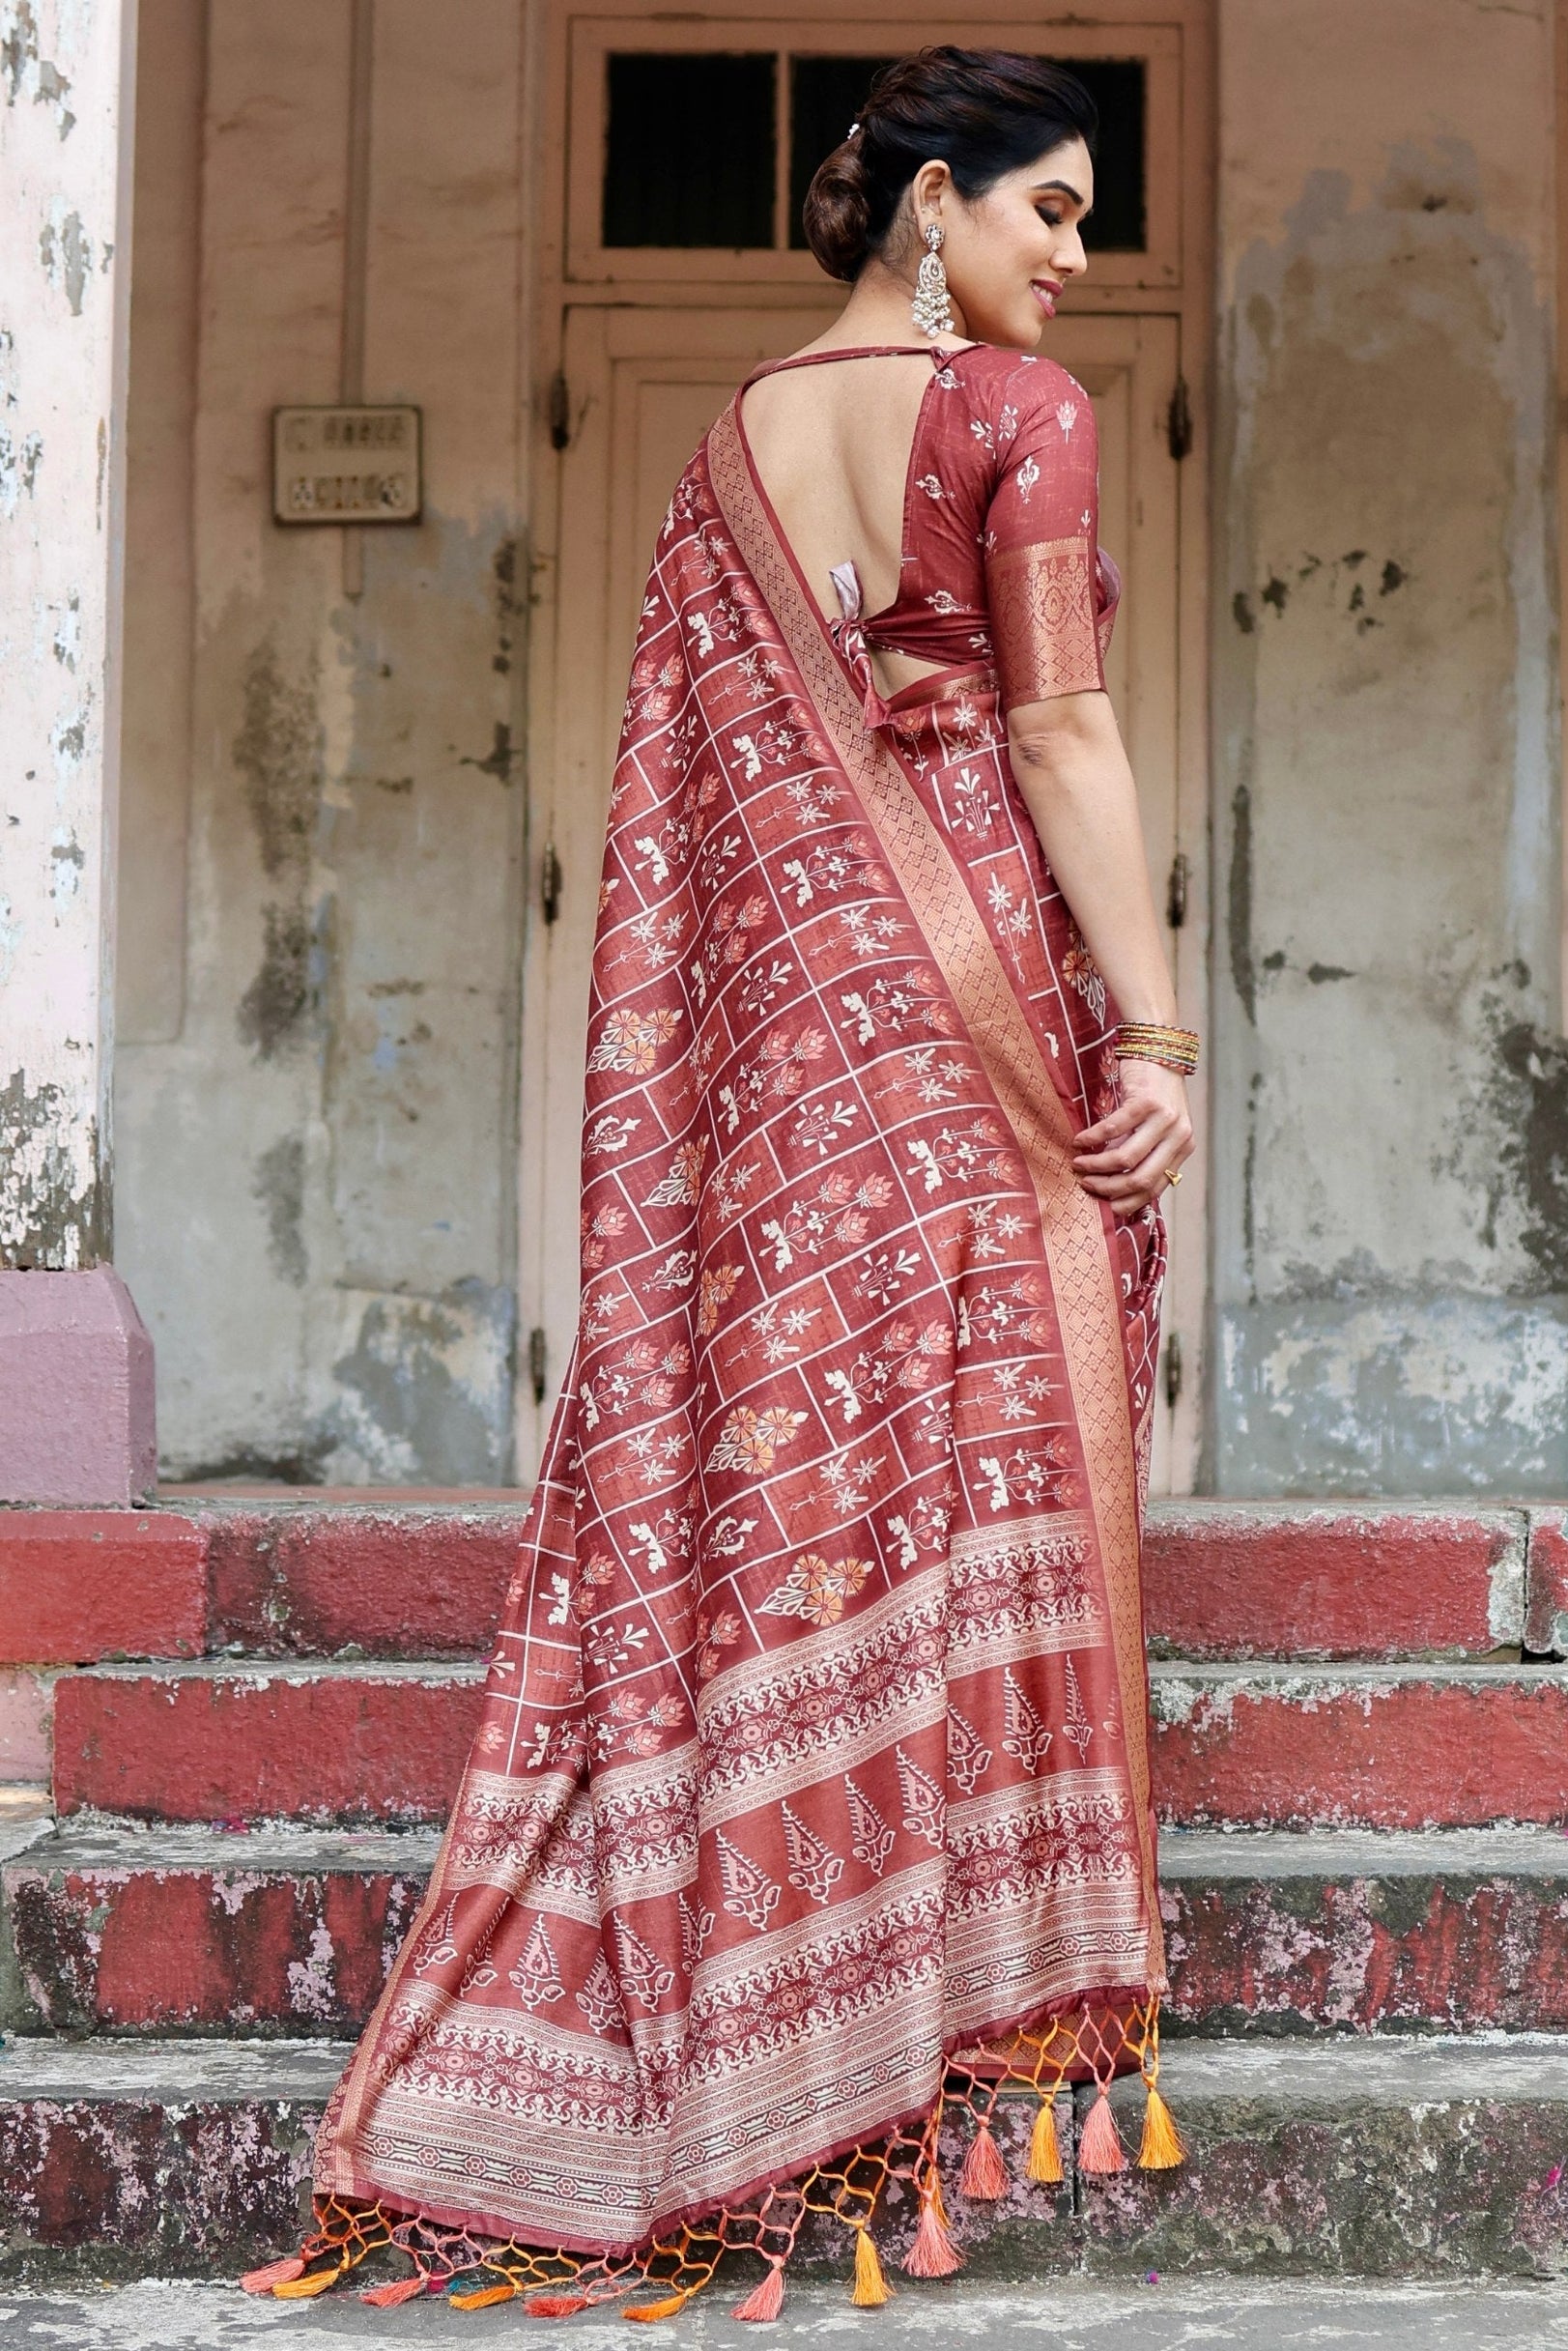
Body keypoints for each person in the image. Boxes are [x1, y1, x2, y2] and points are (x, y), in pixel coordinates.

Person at [244, 43, 1195, 2323]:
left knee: (803, 1459)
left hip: (792, 1048)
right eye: (1048, 209)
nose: (1075, 254)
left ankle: (794, 2031)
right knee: (964, 1455)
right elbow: (1062, 729)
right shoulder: (1016, 422)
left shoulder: (729, 442)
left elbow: (705, 811)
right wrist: (1154, 1021)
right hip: (972, 1012)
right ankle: (892, 2040)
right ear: (934, 206)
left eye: (1085, 217)